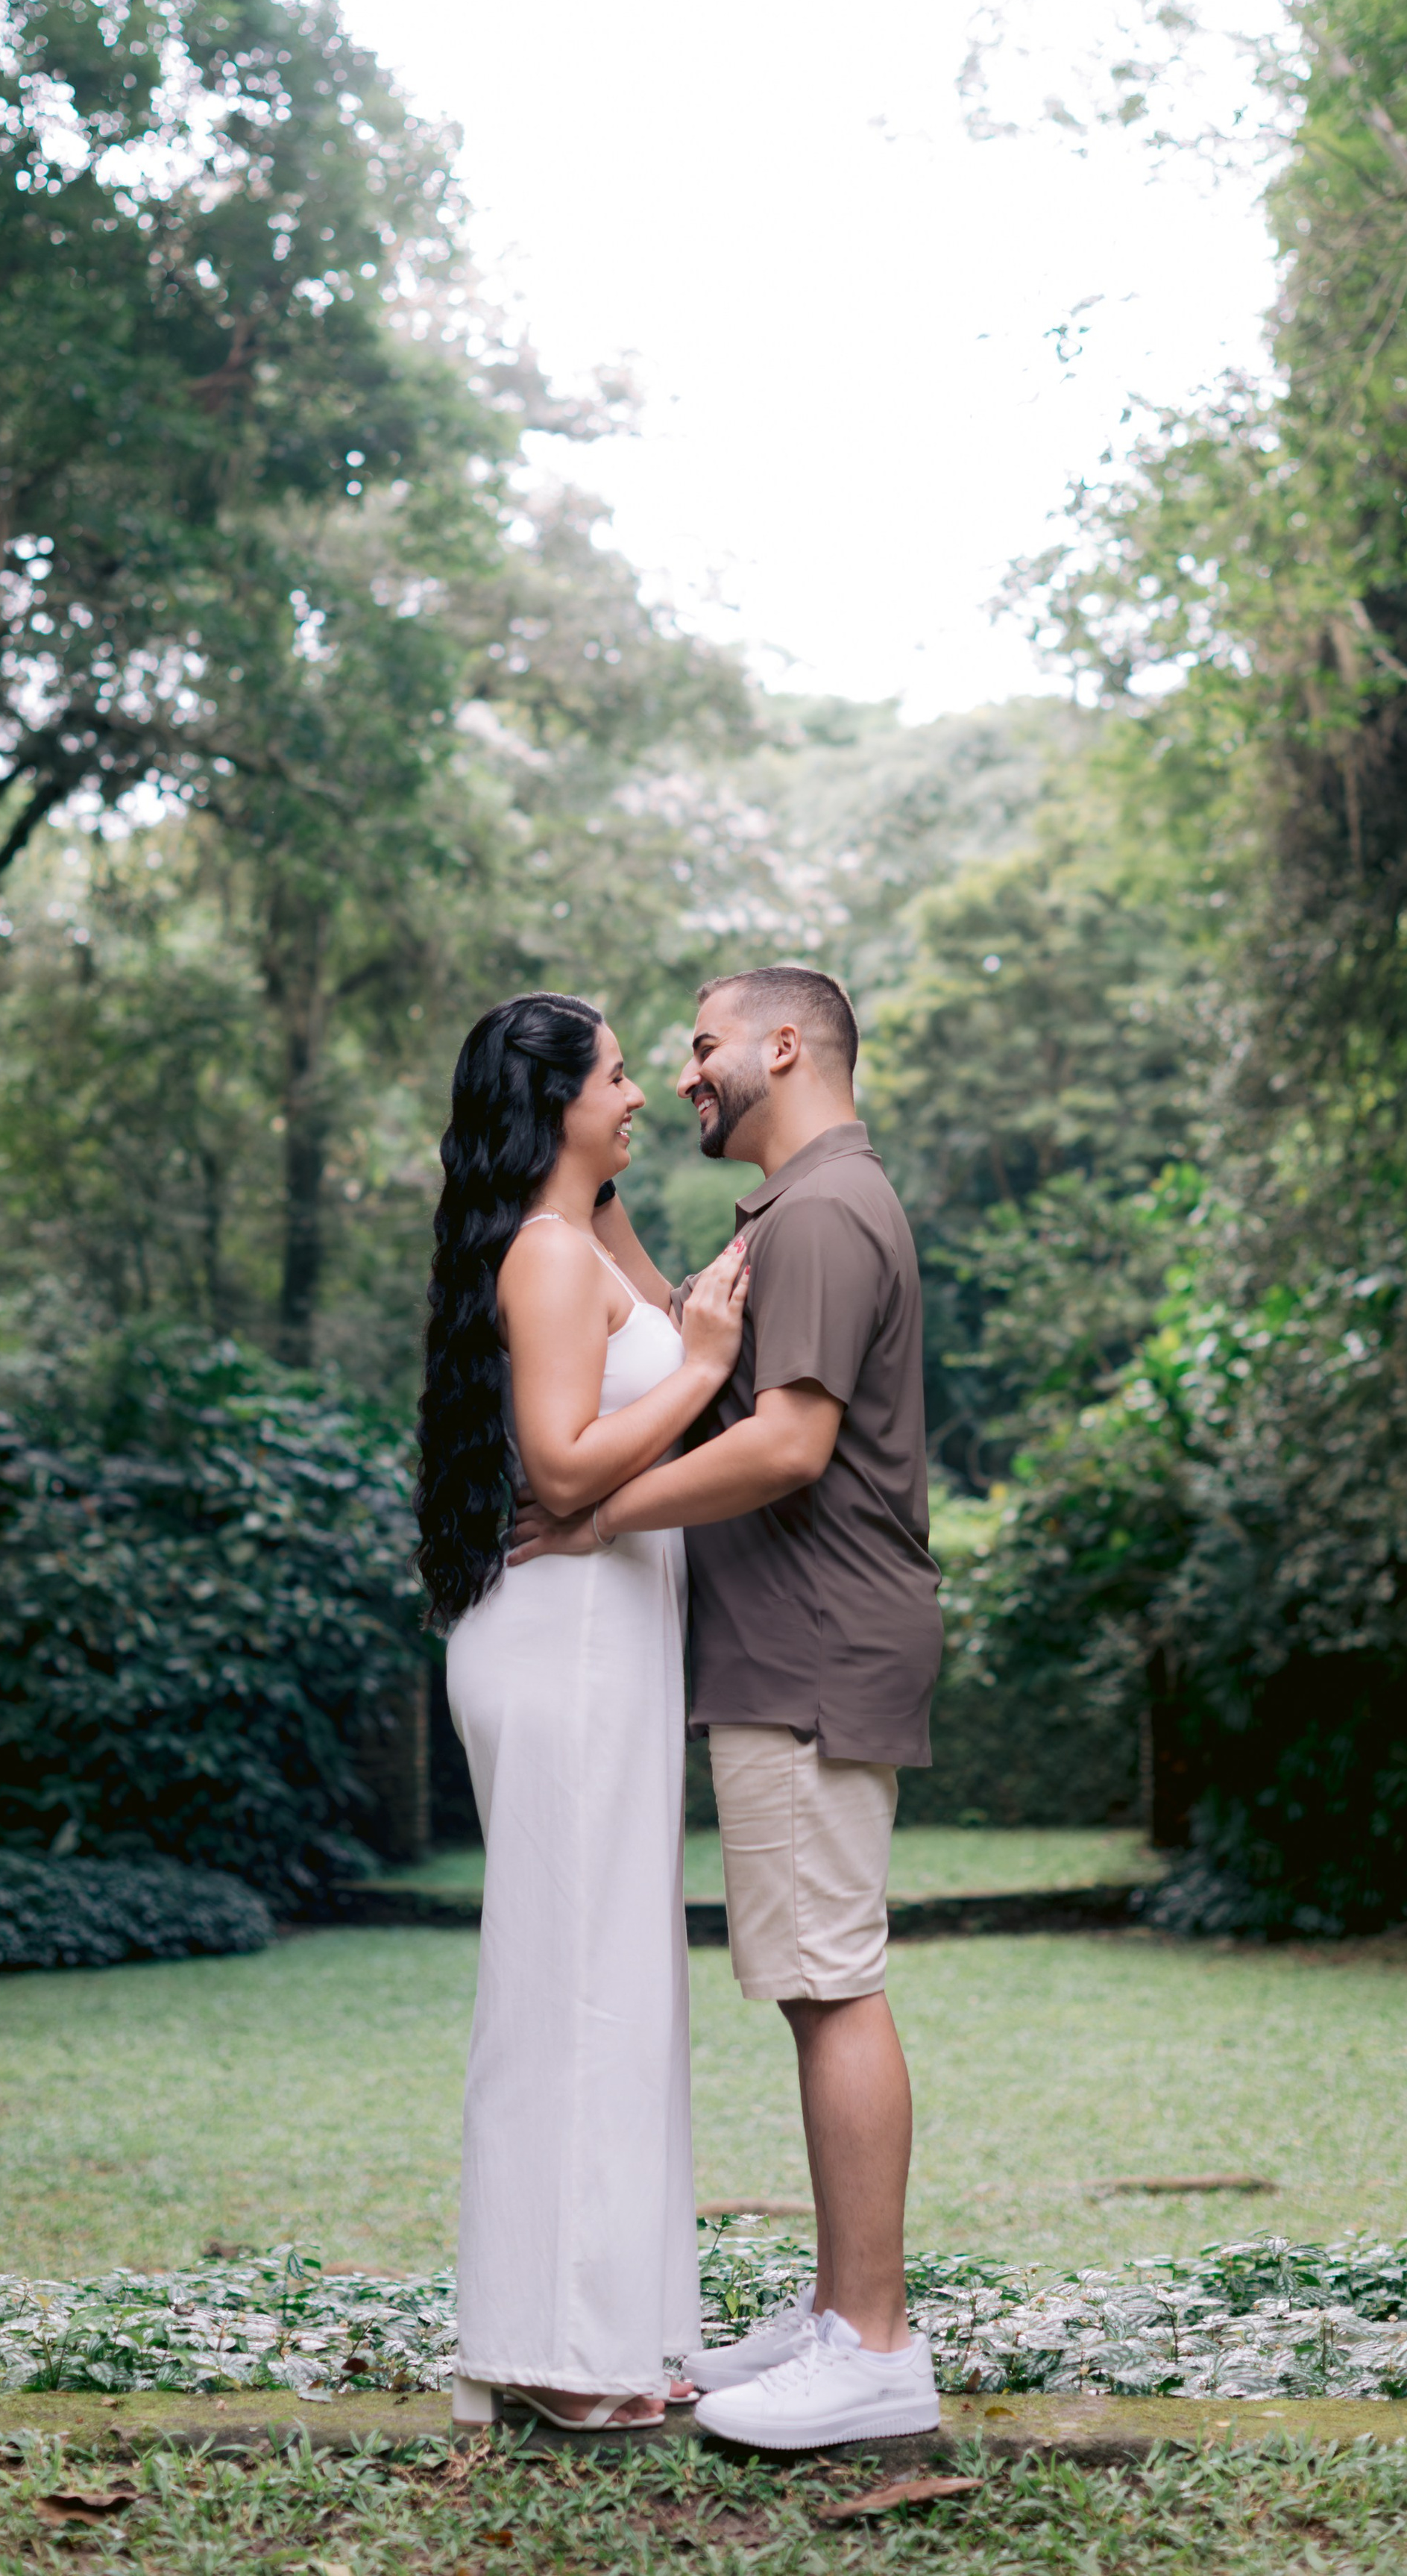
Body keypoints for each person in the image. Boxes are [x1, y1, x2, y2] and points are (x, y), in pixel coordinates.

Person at [511, 964, 944, 2451]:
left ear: (782, 1042)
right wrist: (590, 1181)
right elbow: (674, 1340)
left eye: (698, 1047)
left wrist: (595, 1513)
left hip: (815, 1648)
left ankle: (873, 2346)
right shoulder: (792, 1208)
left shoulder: (823, 1210)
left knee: (830, 1979)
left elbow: (784, 1446)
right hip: (790, 1651)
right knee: (812, 1977)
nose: (685, 1074)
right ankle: (838, 2316)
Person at [418, 992, 749, 2433]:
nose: (642, 1093)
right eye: (618, 1076)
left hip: (598, 1645)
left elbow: (663, 1320)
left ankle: (596, 2330)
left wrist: (682, 1327)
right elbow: (562, 1473)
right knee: (572, 1987)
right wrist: (710, 1372)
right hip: (562, 1651)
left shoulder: (575, 1234)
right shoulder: (541, 1257)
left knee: (613, 1979)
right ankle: (555, 2352)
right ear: (554, 1101)